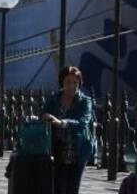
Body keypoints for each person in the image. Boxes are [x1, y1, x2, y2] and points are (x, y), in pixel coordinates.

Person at [42, 66, 95, 194]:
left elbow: (82, 123)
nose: (72, 86)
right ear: (62, 83)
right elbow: (43, 113)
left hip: (78, 149)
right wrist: (45, 116)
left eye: (75, 83)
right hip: (57, 149)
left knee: (72, 188)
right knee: (58, 187)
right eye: (68, 83)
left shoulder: (85, 101)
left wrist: (62, 122)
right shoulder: (54, 99)